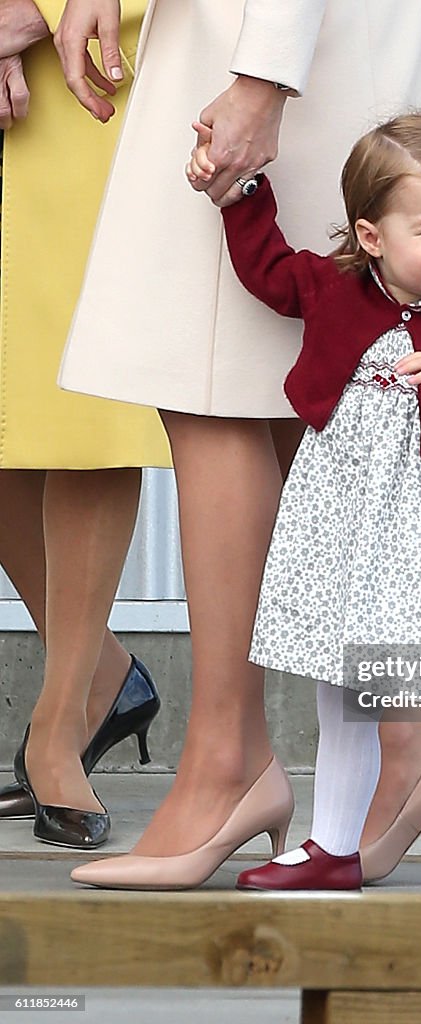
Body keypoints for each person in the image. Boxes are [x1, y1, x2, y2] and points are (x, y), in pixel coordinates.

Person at [72, 112, 421, 893]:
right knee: (342, 691)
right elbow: (270, 272)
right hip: (350, 530)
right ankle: (332, 846)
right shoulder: (339, 289)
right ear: (373, 236)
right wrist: (240, 195)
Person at [55, 0, 421, 888]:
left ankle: (231, 763)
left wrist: (263, 76)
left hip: (276, 36)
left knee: (218, 391)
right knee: (312, 396)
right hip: (289, 36)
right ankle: (412, 730)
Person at [0, 0, 166, 848]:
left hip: (85, 74)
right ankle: (106, 673)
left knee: (80, 408)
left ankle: (59, 726)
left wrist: (38, 8)